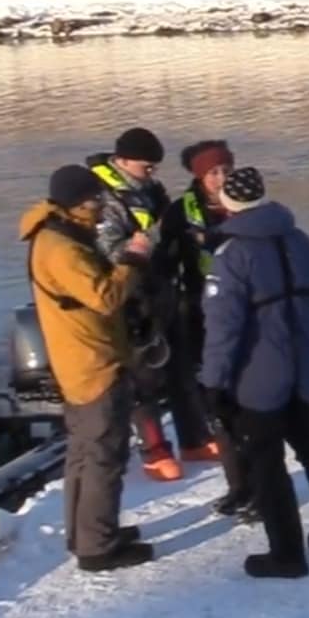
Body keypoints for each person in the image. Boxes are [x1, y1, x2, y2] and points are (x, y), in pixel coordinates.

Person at [199, 167, 309, 580]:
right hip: (305, 369)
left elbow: (223, 328)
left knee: (267, 463)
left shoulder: (232, 255)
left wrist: (214, 383)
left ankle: (287, 555)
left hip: (258, 378)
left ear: (228, 205)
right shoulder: (299, 240)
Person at [20, 165, 155, 573]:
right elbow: (106, 296)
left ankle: (86, 532)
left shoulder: (54, 234)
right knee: (103, 456)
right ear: (76, 203)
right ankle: (98, 547)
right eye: (95, 198)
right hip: (94, 364)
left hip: (75, 362)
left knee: (82, 454)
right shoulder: (63, 248)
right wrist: (134, 258)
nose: (101, 205)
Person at [88, 127, 214, 481]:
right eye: (146, 166)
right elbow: (112, 252)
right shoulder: (105, 200)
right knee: (143, 377)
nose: (152, 172)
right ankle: (155, 452)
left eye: (155, 167)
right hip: (132, 300)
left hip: (163, 289)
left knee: (182, 367)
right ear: (122, 161)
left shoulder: (150, 189)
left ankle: (195, 438)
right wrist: (152, 238)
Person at [177, 139, 253, 521]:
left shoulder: (248, 206)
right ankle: (238, 486)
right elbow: (165, 262)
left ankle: (261, 488)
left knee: (249, 407)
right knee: (218, 406)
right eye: (213, 173)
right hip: (202, 318)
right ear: (199, 177)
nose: (222, 178)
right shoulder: (180, 212)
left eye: (226, 170)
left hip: (247, 317)